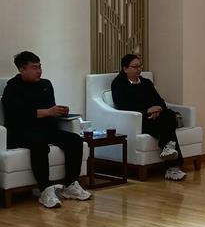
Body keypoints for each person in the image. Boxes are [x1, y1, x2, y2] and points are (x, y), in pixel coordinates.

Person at [1, 51, 91, 208]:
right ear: (22, 70)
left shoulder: (45, 85)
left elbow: (50, 109)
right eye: (34, 68)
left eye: (40, 67)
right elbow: (18, 115)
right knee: (39, 144)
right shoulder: (12, 88)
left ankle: (70, 185)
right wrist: (48, 112)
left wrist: (59, 111)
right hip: (21, 132)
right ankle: (45, 190)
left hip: (47, 129)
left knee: (75, 140)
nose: (39, 71)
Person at [111, 54, 186, 181]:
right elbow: (123, 105)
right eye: (135, 67)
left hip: (156, 116)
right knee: (167, 122)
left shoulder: (146, 83)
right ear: (125, 68)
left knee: (168, 114)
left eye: (140, 66)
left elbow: (160, 100)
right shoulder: (119, 84)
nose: (139, 69)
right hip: (138, 119)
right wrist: (146, 111)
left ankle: (169, 150)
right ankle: (172, 167)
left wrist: (158, 109)